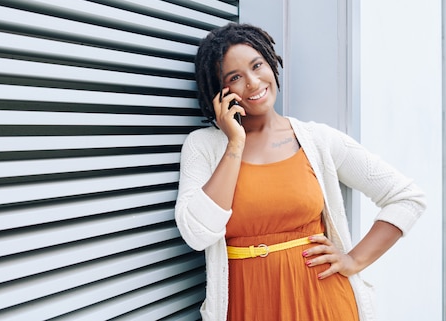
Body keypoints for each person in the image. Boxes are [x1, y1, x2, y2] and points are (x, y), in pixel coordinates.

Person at [175, 22, 426, 321]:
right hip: (248, 307)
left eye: (258, 65)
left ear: (271, 64)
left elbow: (406, 198)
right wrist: (235, 144)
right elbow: (198, 234)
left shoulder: (317, 140)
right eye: (235, 77)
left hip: (323, 303)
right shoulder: (204, 146)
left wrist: (354, 260)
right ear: (220, 92)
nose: (253, 82)